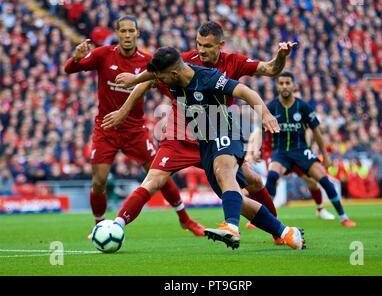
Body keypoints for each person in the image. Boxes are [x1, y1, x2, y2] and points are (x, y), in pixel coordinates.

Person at [103, 21, 301, 228]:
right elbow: (151, 77)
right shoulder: (185, 61)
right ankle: (116, 225)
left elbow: (270, 69)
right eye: (199, 44)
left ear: (220, 45)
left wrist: (281, 57)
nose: (202, 50)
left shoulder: (233, 62)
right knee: (153, 180)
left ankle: (278, 229)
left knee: (253, 181)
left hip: (216, 133)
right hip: (180, 132)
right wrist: (125, 107)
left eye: (207, 46)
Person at [64, 15, 204, 237]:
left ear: (138, 33)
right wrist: (76, 59)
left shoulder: (148, 63)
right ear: (117, 33)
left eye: (132, 31)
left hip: (135, 130)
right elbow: (69, 70)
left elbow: (168, 88)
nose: (127, 35)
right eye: (124, 31)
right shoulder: (103, 54)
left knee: (160, 172)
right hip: (106, 127)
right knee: (98, 182)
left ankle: (185, 219)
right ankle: (99, 225)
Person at [258, 72, 356, 227]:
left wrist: (325, 155)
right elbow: (262, 130)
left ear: (294, 85)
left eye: (287, 83)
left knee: (323, 179)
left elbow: (316, 132)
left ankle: (344, 217)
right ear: (277, 86)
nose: (284, 86)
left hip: (301, 151)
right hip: (280, 152)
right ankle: (265, 218)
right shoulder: (271, 107)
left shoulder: (303, 106)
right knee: (272, 177)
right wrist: (258, 149)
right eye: (281, 83)